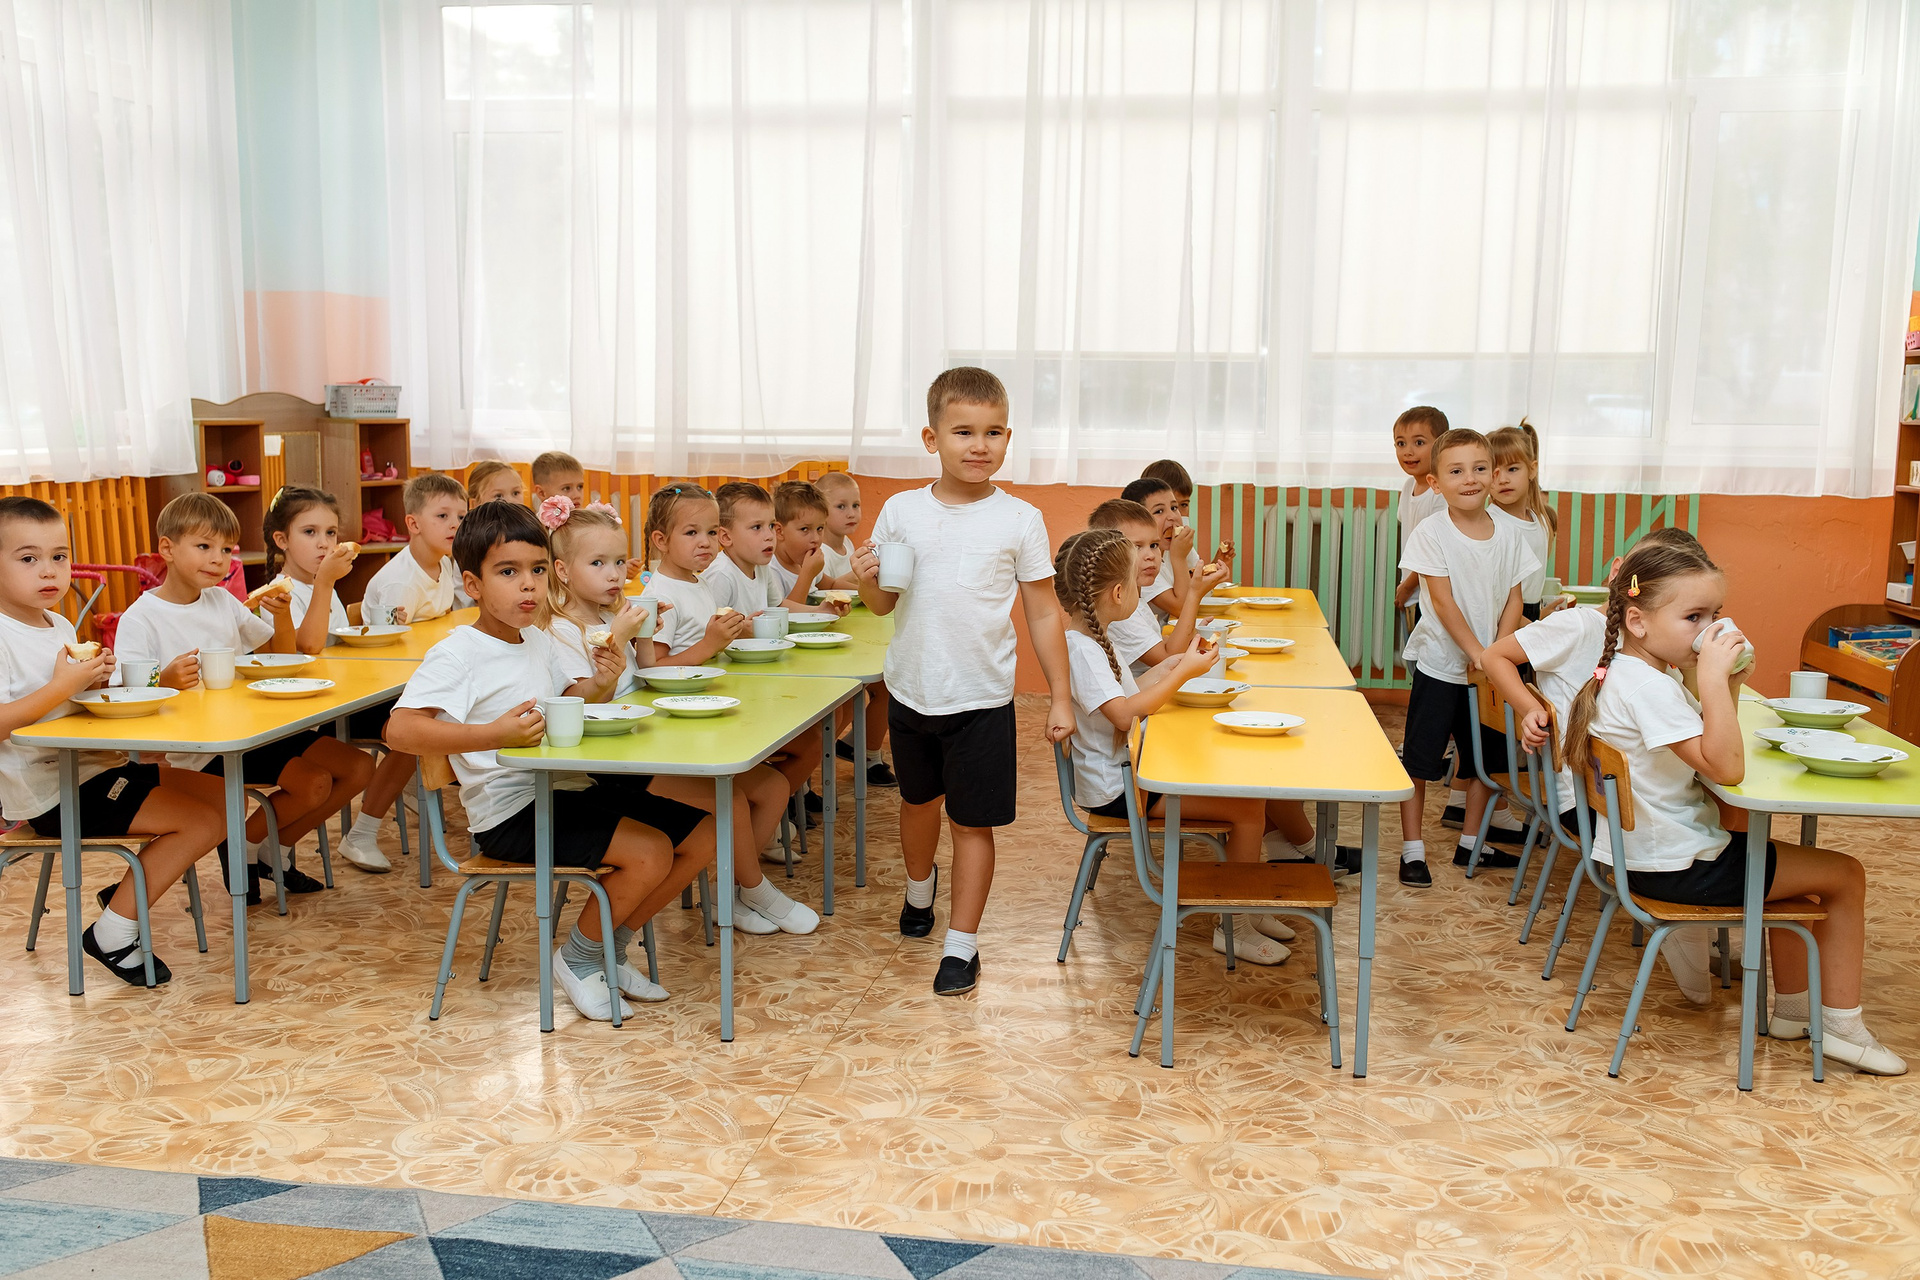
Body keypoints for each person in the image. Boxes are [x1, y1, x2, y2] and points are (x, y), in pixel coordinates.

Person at [1561, 543, 1903, 1075]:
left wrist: (1730, 684)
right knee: (1845, 874)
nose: (1709, 629)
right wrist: (1713, 678)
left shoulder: (1634, 674)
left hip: (1649, 859)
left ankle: (1794, 1012)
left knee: (1801, 882)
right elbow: (1726, 769)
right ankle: (1842, 1028)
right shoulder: (1649, 688)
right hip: (1678, 868)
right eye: (1693, 617)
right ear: (1638, 621)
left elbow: (1710, 746)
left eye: (1715, 614)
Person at [387, 501, 691, 1022]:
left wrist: (602, 680)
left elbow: (572, 701)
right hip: (509, 815)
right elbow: (399, 730)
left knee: (702, 834)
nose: (528, 584)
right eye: (508, 572)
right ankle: (578, 958)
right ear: (473, 584)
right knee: (650, 852)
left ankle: (607, 950)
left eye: (537, 569)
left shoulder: (535, 639)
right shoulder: (459, 652)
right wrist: (493, 734)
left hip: (562, 790)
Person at [852, 366, 1075, 996]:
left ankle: (961, 945)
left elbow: (1042, 612)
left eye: (993, 432)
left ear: (1008, 438)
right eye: (963, 432)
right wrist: (866, 579)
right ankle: (919, 889)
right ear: (932, 439)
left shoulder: (1021, 519)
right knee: (918, 804)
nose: (980, 445)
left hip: (982, 699)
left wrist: (1060, 696)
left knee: (973, 823)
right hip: (911, 690)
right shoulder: (900, 511)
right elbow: (883, 605)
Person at [1480, 530, 1718, 1001]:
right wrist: (1530, 708)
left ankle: (1706, 922)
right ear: (1618, 572)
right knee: (1703, 794)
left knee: (1701, 795)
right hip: (1587, 802)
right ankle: (1698, 918)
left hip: (1610, 792)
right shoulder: (1580, 626)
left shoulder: (1655, 650)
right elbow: (1494, 655)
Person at [0, 496, 227, 986]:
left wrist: (98, 683)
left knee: (222, 797)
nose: (49, 571)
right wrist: (63, 685)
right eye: (29, 558)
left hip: (97, 767)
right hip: (52, 792)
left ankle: (127, 896)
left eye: (59, 556)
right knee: (200, 822)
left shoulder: (59, 624)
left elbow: (69, 702)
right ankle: (111, 934)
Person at [1056, 528, 1303, 964]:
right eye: (1135, 582)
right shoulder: (1083, 650)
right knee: (1248, 809)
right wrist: (1183, 673)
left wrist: (1172, 665)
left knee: (1247, 793)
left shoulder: (1094, 638)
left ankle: (1245, 906)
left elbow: (1129, 693)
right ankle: (1234, 927)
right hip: (1118, 791)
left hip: (1130, 775)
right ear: (1118, 593)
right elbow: (1124, 714)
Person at [115, 494, 372, 902]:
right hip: (202, 747)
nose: (218, 560)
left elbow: (282, 658)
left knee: (356, 767)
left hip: (252, 728)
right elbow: (125, 695)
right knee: (313, 783)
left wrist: (282, 616)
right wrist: (165, 680)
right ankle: (249, 850)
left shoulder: (222, 601)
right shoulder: (141, 618)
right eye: (204, 546)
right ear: (167, 548)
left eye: (226, 550)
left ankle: (259, 850)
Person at [635, 484, 822, 928]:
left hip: (706, 712)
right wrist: (711, 643)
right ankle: (754, 889)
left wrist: (730, 635)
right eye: (692, 533)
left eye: (709, 532)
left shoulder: (697, 582)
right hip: (675, 728)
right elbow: (652, 669)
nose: (705, 543)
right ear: (661, 540)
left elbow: (707, 648)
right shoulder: (660, 595)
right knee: (735, 798)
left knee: (773, 787)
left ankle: (731, 890)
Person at [1396, 428, 1539, 886]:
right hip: (1441, 666)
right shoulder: (1431, 532)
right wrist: (1477, 651)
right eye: (1456, 471)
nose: (1470, 479)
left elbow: (1514, 599)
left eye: (1479, 469)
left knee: (1482, 762)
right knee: (1420, 761)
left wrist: (1496, 652)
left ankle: (1471, 844)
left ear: (1493, 475)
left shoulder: (1511, 534)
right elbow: (1442, 602)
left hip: (1488, 672)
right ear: (1436, 483)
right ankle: (1412, 850)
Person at [261, 486, 409, 875]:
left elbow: (337, 645)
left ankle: (274, 850)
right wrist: (325, 582)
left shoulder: (319, 586)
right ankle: (262, 847)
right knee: (409, 730)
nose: (324, 543)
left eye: (330, 533)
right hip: (304, 716)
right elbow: (307, 648)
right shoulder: (279, 594)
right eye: (309, 532)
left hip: (339, 699)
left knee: (419, 719)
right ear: (282, 540)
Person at [360, 472, 469, 626]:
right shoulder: (400, 583)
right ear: (414, 524)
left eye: (461, 517)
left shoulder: (444, 562)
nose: (456, 525)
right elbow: (389, 636)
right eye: (442, 515)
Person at [1488, 422, 1556, 621]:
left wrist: (1539, 619)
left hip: (1527, 616)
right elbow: (1493, 599)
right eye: (1493, 472)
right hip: (1502, 618)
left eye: (1512, 469)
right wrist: (1533, 629)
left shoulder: (1540, 521)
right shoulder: (1490, 525)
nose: (1502, 479)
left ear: (1532, 470)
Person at [769, 481, 834, 606]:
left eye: (820, 528)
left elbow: (831, 585)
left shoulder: (806, 560)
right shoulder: (772, 569)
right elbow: (786, 613)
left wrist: (864, 588)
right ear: (779, 531)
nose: (816, 538)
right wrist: (807, 574)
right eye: (804, 529)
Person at [814, 471, 864, 589]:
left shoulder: (847, 543)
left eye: (855, 505)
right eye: (841, 506)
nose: (851, 514)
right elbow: (825, 590)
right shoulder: (820, 553)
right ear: (821, 510)